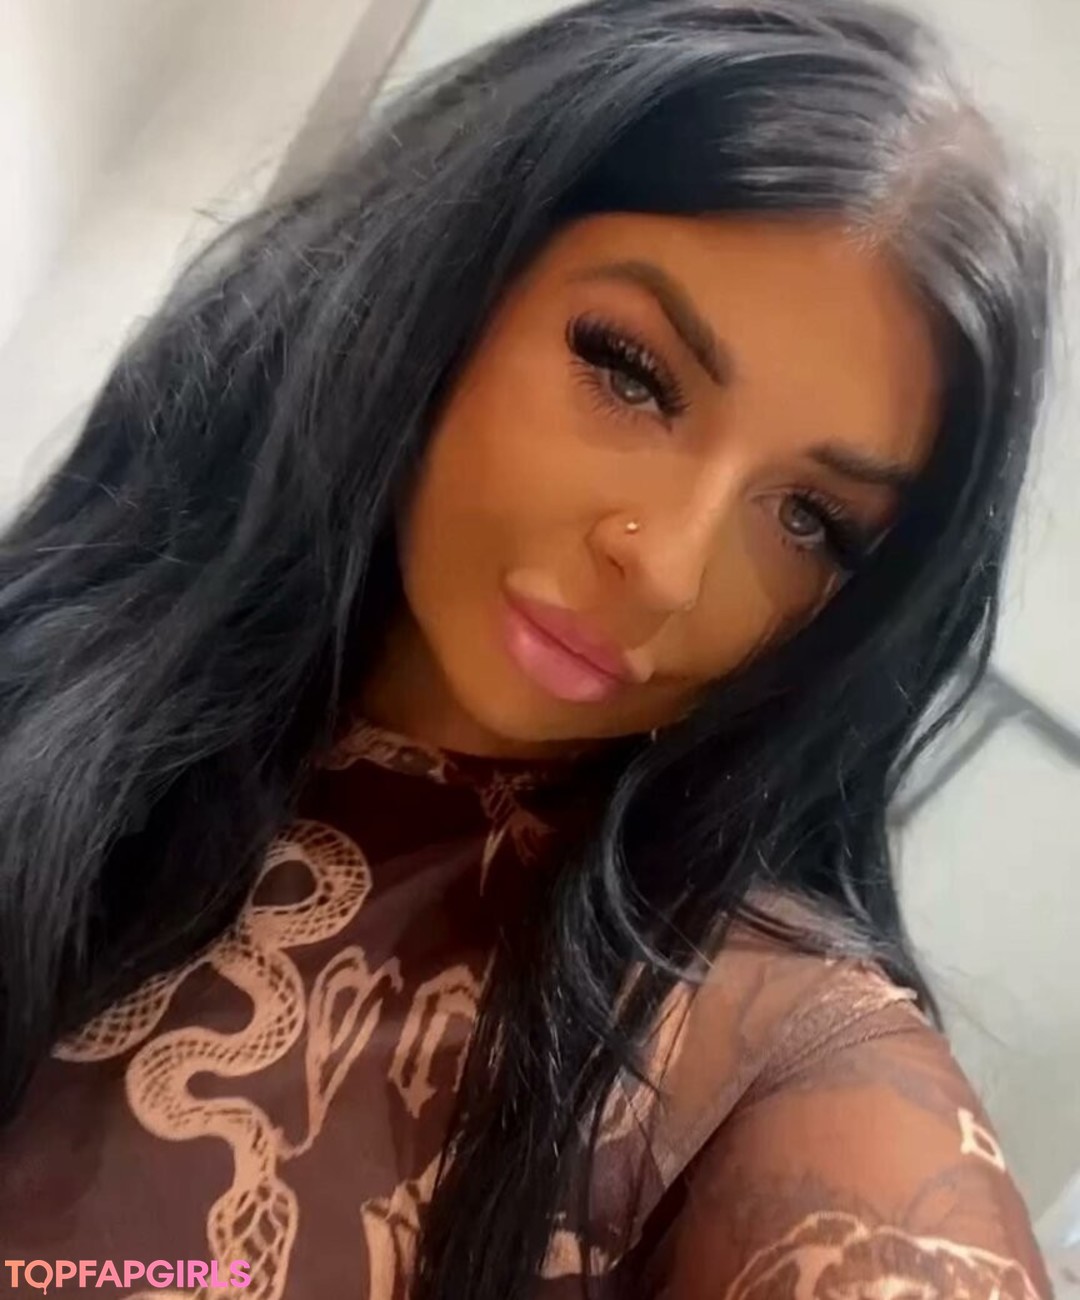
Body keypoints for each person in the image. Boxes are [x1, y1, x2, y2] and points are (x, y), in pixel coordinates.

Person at [0, 0, 1056, 1296]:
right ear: (454, 275)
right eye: (630, 371)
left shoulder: (756, 1045)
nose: (667, 566)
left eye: (810, 521)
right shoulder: (66, 664)